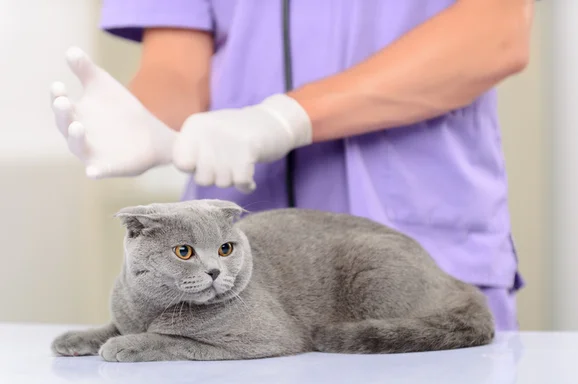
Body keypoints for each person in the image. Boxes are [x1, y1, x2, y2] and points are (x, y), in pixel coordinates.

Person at [50, 0, 535, 331]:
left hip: (420, 246)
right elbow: (176, 63)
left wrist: (284, 118)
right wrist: (151, 124)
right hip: (234, 275)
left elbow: (495, 32)